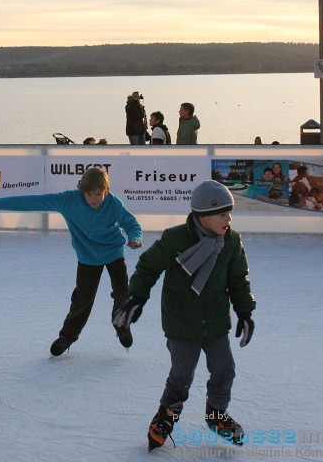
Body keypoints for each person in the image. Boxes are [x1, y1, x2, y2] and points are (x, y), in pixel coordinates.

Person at [113, 180, 256, 450]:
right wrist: (138, 296)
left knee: (225, 370)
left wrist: (245, 311)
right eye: (222, 213)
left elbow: (238, 280)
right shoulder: (175, 239)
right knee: (182, 375)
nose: (229, 219)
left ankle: (216, 415)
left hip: (215, 320)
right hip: (181, 320)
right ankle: (166, 415)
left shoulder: (231, 241)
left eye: (230, 213)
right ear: (202, 216)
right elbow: (147, 267)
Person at [0, 167, 142, 355]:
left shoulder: (113, 203)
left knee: (122, 294)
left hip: (113, 253)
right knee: (82, 299)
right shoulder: (69, 200)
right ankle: (67, 337)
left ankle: (122, 327)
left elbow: (131, 223)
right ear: (81, 191)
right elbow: (35, 201)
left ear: (106, 191)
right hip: (88, 257)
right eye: (89, 194)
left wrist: (135, 237)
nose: (94, 199)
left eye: (99, 194)